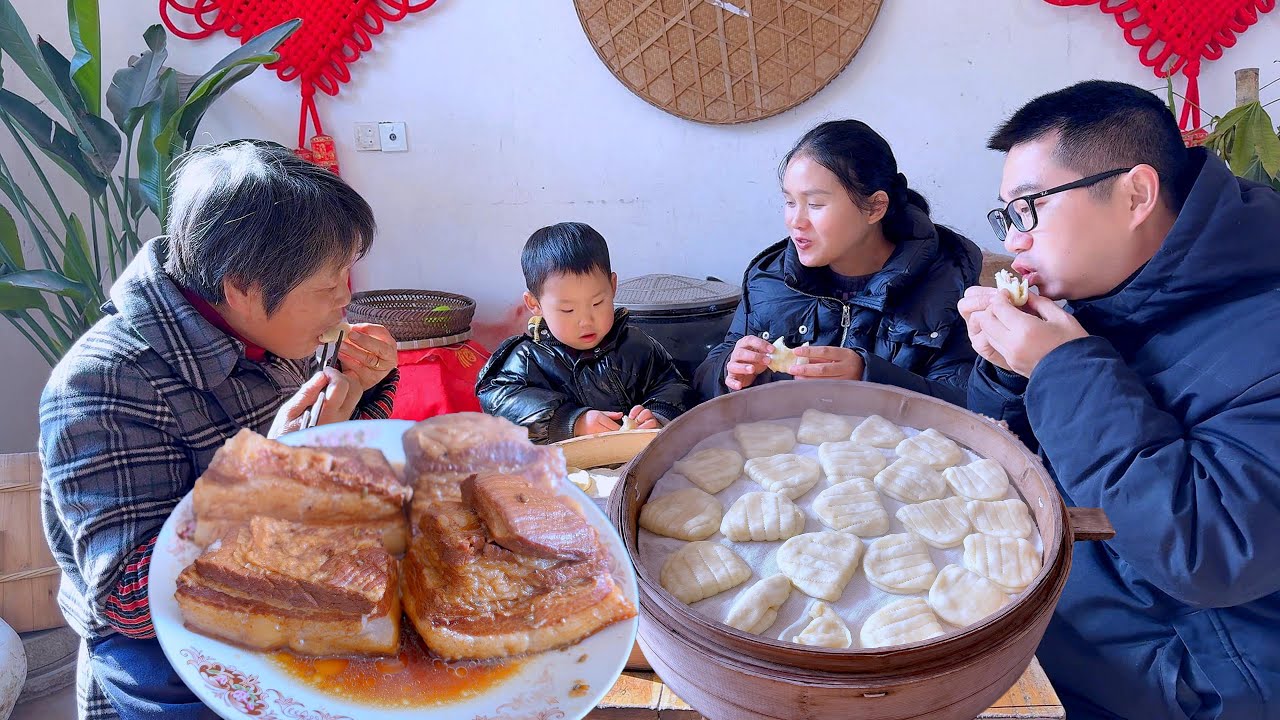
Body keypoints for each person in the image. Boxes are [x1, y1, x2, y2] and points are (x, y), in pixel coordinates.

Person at [39, 141, 401, 720]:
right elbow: (132, 602)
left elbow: (326, 455)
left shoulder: (269, 326)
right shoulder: (101, 387)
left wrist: (361, 385)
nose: (345, 307)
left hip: (282, 596)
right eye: (327, 289)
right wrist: (270, 475)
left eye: (346, 281)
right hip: (164, 660)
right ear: (242, 288)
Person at [963, 80, 1280, 719]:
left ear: (1136, 194)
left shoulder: (1264, 327)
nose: (1015, 239)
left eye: (1030, 207)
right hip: (1056, 636)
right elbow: (1014, 468)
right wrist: (1008, 373)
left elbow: (1210, 550)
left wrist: (1057, 367)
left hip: (1192, 690)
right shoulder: (1099, 288)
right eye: (1007, 216)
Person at [694, 120, 981, 406]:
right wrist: (728, 371)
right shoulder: (769, 279)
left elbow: (972, 403)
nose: (795, 221)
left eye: (815, 204)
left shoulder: (947, 280)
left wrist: (869, 376)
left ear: (875, 207)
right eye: (790, 202)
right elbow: (704, 379)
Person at [476, 222, 693, 442]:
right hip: (561, 470)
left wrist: (658, 415)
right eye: (567, 310)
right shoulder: (528, 359)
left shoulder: (635, 345)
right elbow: (498, 402)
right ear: (535, 304)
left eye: (598, 303)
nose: (586, 321)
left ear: (613, 286)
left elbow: (673, 384)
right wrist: (571, 421)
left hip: (634, 463)